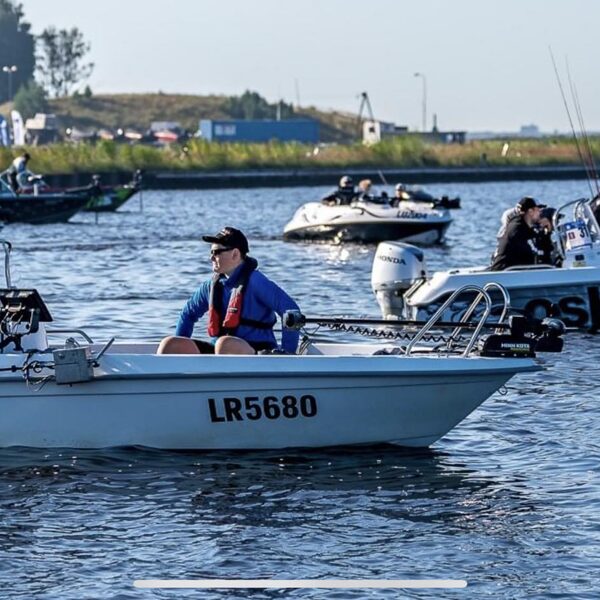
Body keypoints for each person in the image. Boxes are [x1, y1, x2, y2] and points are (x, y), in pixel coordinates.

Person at [157, 227, 300, 355]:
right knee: (170, 344)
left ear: (235, 254)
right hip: (220, 350)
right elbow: (187, 315)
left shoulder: (256, 281)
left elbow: (291, 310)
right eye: (211, 252)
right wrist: (179, 355)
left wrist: (288, 352)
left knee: (225, 344)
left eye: (216, 252)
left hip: (256, 351)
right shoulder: (210, 286)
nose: (211, 257)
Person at [490, 196, 546, 271]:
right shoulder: (517, 230)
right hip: (505, 273)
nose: (540, 212)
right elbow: (528, 256)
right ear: (530, 211)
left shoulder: (526, 228)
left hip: (516, 272)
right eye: (538, 209)